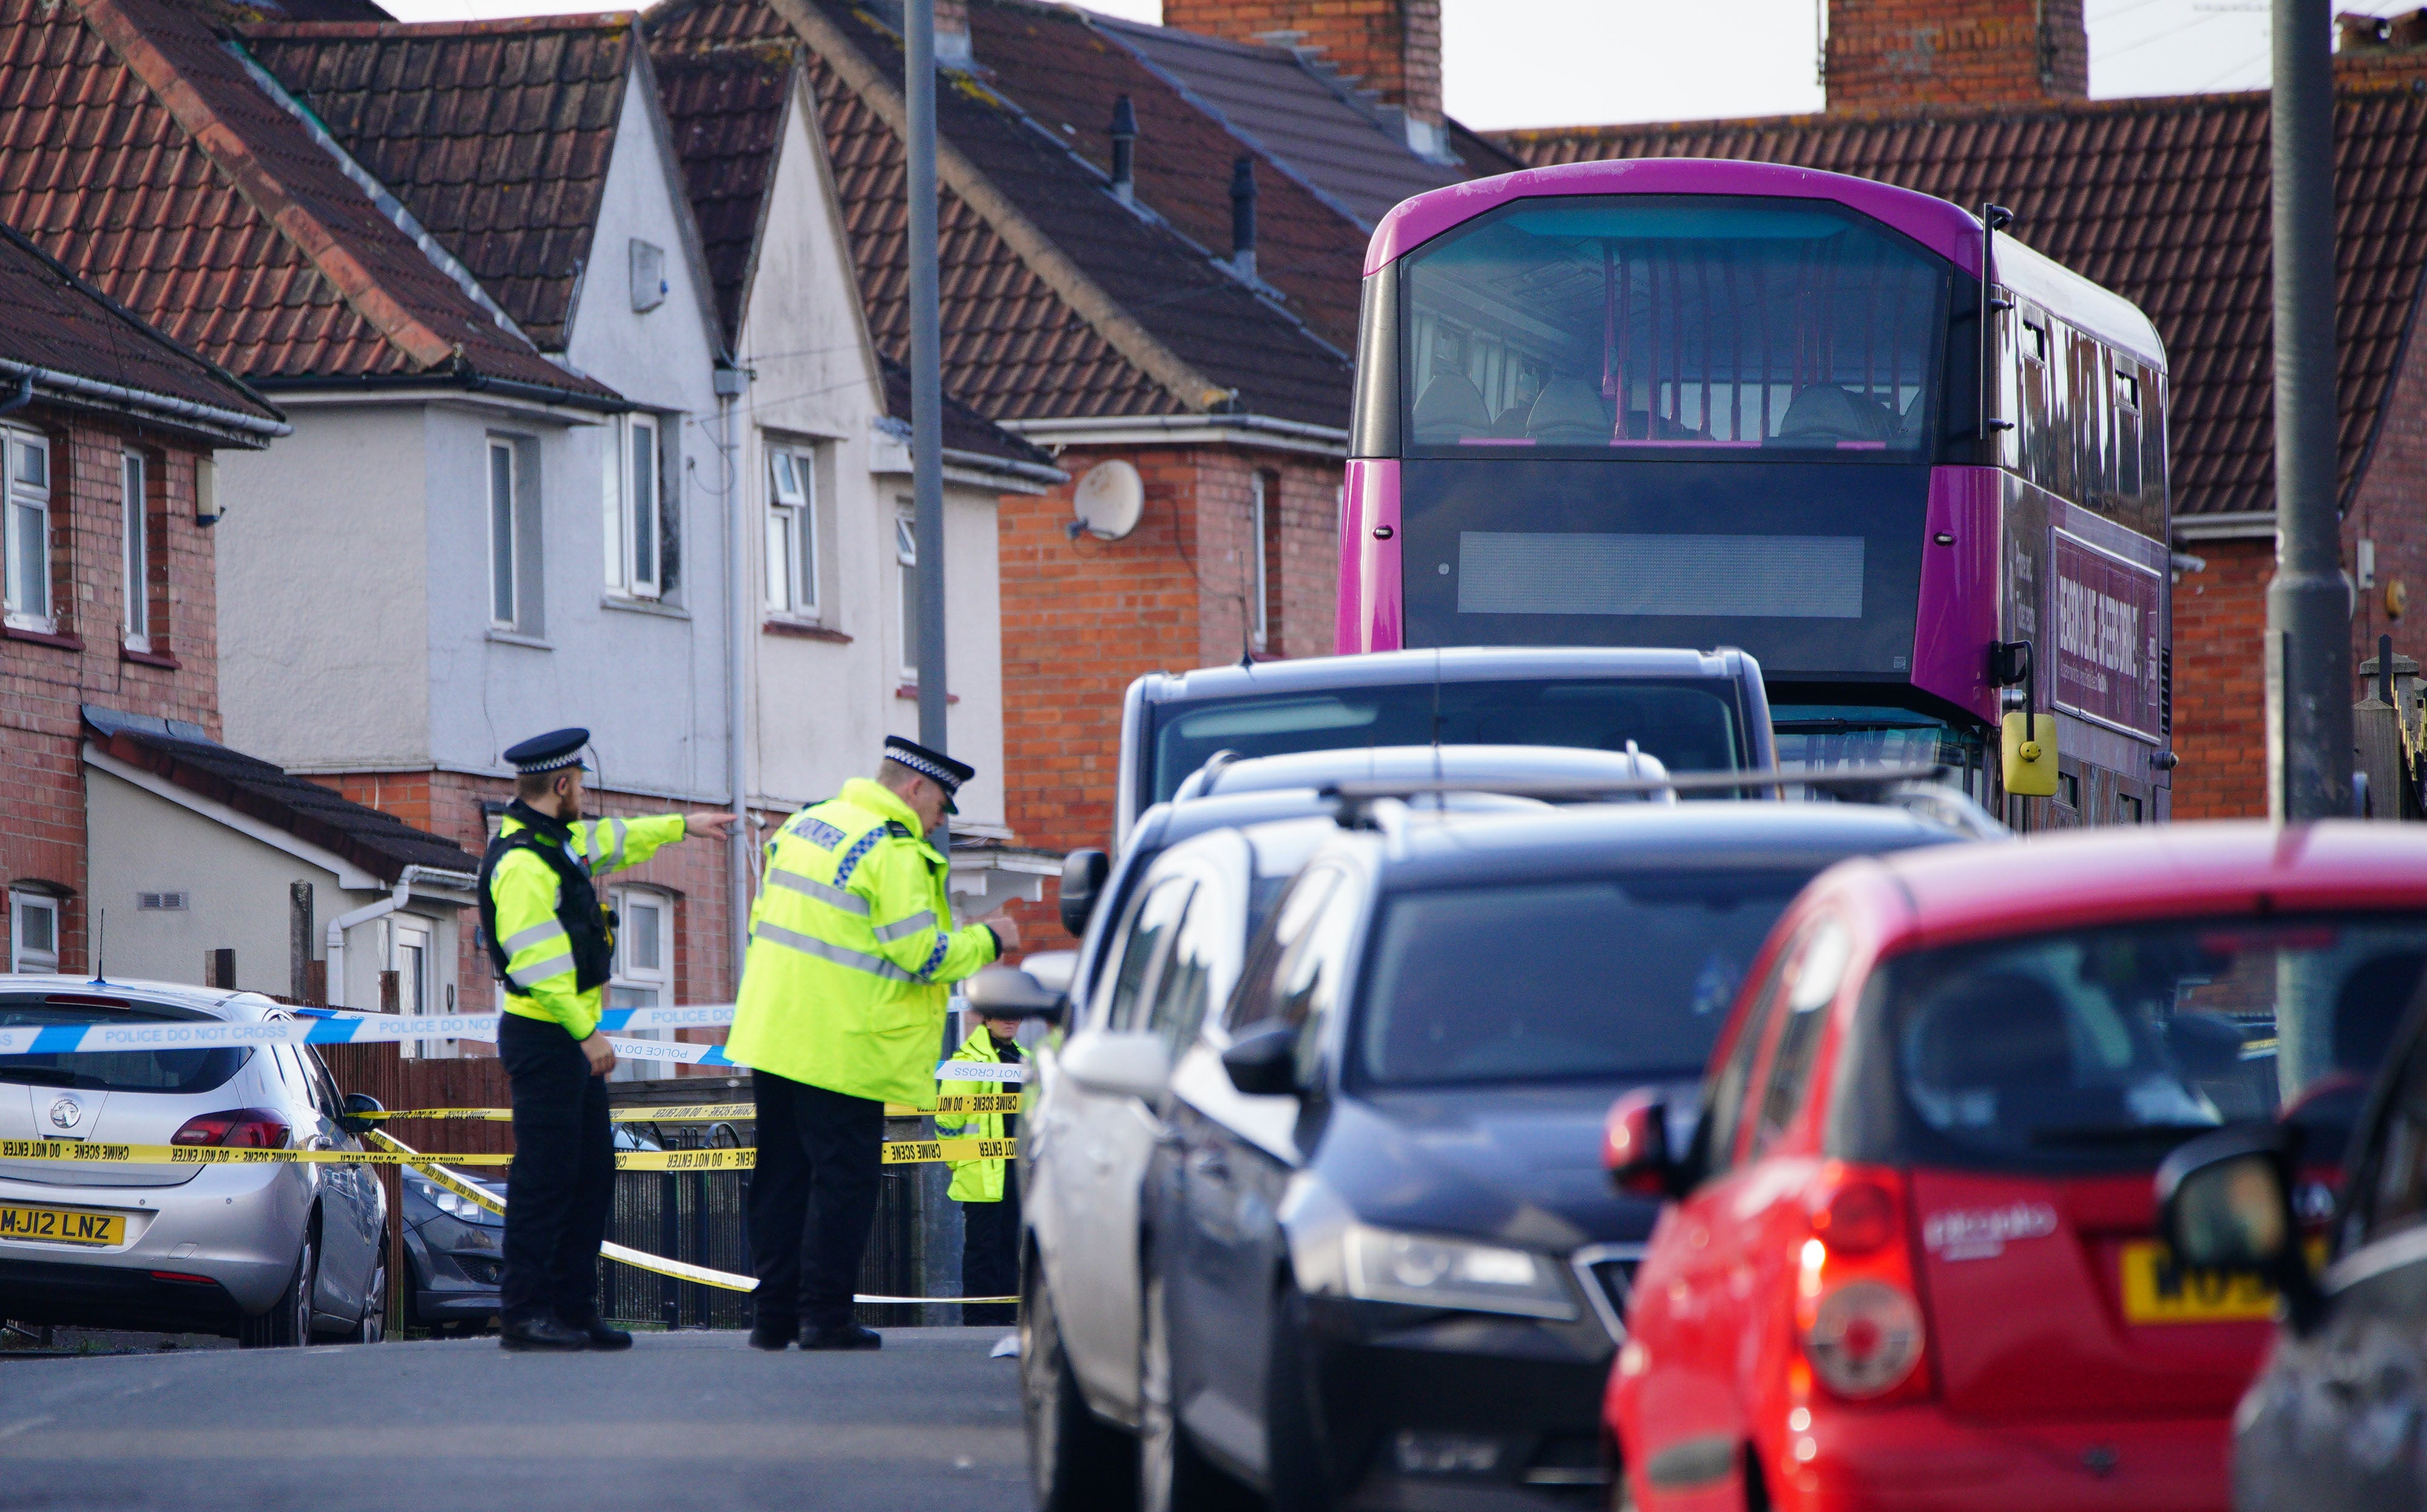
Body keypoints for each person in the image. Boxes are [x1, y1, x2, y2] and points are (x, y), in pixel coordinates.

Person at [728, 736, 1021, 1351]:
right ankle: (825, 1316)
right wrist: (989, 941)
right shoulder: (891, 850)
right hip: (842, 1045)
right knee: (845, 1182)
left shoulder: (807, 824)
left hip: (774, 1030)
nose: (940, 819)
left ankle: (774, 1315)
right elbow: (924, 953)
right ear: (913, 789)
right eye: (940, 803)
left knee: (780, 1177)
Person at [478, 727, 736, 1352]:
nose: (586, 794)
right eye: (581, 783)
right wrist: (588, 1034)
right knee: (547, 1176)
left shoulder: (559, 843)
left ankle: (573, 1307)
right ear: (562, 785)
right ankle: (525, 1311)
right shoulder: (520, 861)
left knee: (592, 1171)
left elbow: (620, 836)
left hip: (568, 1037)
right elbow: (538, 968)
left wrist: (685, 825)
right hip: (546, 1036)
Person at [937, 1012, 1022, 1328]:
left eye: (1015, 1016)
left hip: (1015, 1173)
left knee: (1009, 1247)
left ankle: (1008, 1316)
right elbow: (948, 1119)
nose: (1011, 1021)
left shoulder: (1024, 1060)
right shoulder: (968, 1060)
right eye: (1002, 1016)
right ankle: (981, 1320)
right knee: (982, 1250)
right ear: (987, 1020)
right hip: (980, 1172)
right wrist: (956, 1162)